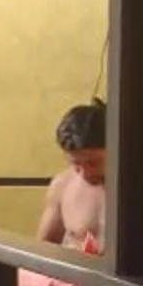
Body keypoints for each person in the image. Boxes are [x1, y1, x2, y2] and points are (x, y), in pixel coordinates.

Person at [36, 99, 107, 251]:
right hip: (75, 274)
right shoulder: (63, 185)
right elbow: (44, 251)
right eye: (76, 165)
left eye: (93, 162)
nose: (85, 173)